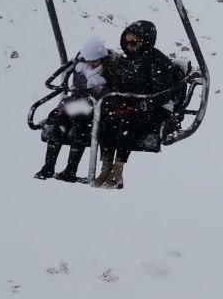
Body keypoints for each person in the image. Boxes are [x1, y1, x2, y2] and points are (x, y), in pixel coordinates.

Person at [93, 20, 180, 189]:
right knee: (109, 119)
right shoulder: (125, 60)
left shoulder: (158, 62)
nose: (129, 46)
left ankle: (118, 168)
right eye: (126, 41)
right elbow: (118, 83)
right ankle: (106, 165)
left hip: (155, 108)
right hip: (131, 104)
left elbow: (163, 93)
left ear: (145, 41)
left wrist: (143, 104)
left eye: (134, 42)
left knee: (128, 122)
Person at [34, 36, 109, 182]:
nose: (93, 65)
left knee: (79, 130)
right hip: (79, 104)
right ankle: (48, 167)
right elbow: (75, 91)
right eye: (90, 62)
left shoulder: (108, 71)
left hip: (95, 110)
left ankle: (71, 169)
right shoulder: (80, 68)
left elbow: (104, 93)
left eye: (96, 62)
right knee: (58, 125)